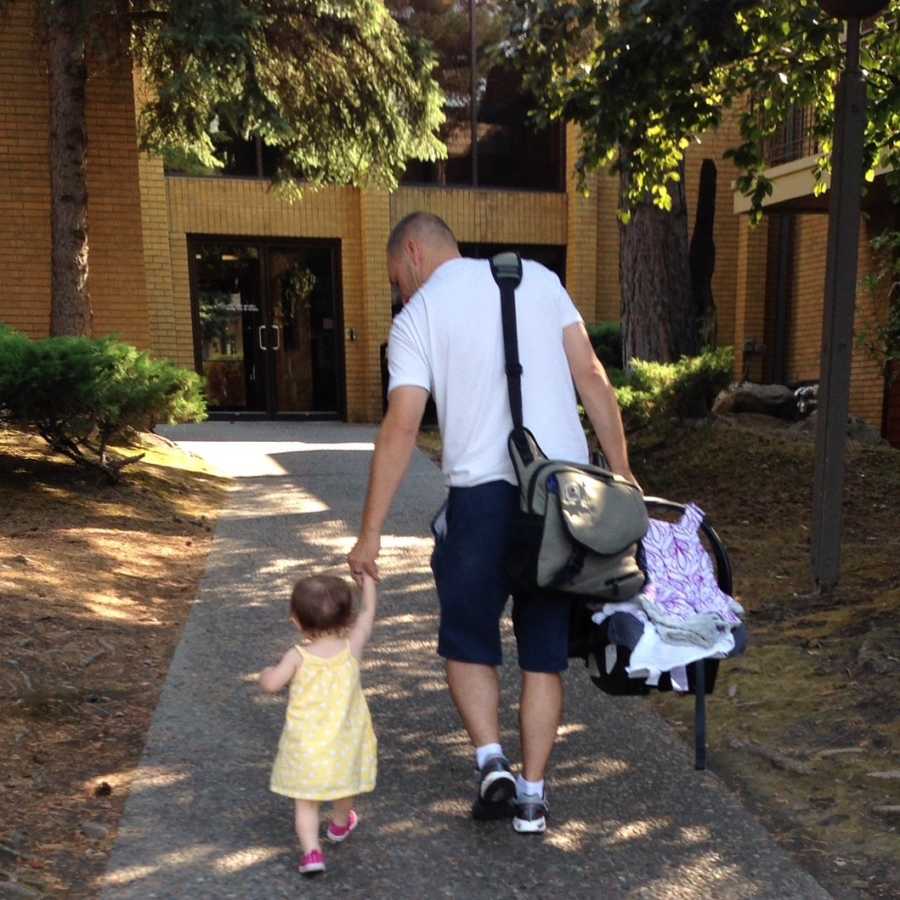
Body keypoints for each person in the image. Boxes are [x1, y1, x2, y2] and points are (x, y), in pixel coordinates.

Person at [347, 211, 637, 835]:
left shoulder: (417, 319)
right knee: (543, 653)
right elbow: (593, 377)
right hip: (562, 501)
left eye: (399, 277)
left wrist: (370, 532)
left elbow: (401, 427)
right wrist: (622, 473)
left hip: (480, 499)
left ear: (416, 254)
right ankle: (532, 795)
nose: (401, 291)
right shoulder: (538, 279)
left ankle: (490, 761)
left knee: (467, 639)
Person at [259, 573, 378, 876]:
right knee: (344, 786)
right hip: (346, 742)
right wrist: (369, 584)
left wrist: (265, 673)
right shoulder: (352, 646)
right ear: (346, 617)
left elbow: (272, 685)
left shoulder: (297, 656)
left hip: (307, 746)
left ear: (297, 621)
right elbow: (368, 614)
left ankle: (312, 853)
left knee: (306, 803)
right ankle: (340, 824)